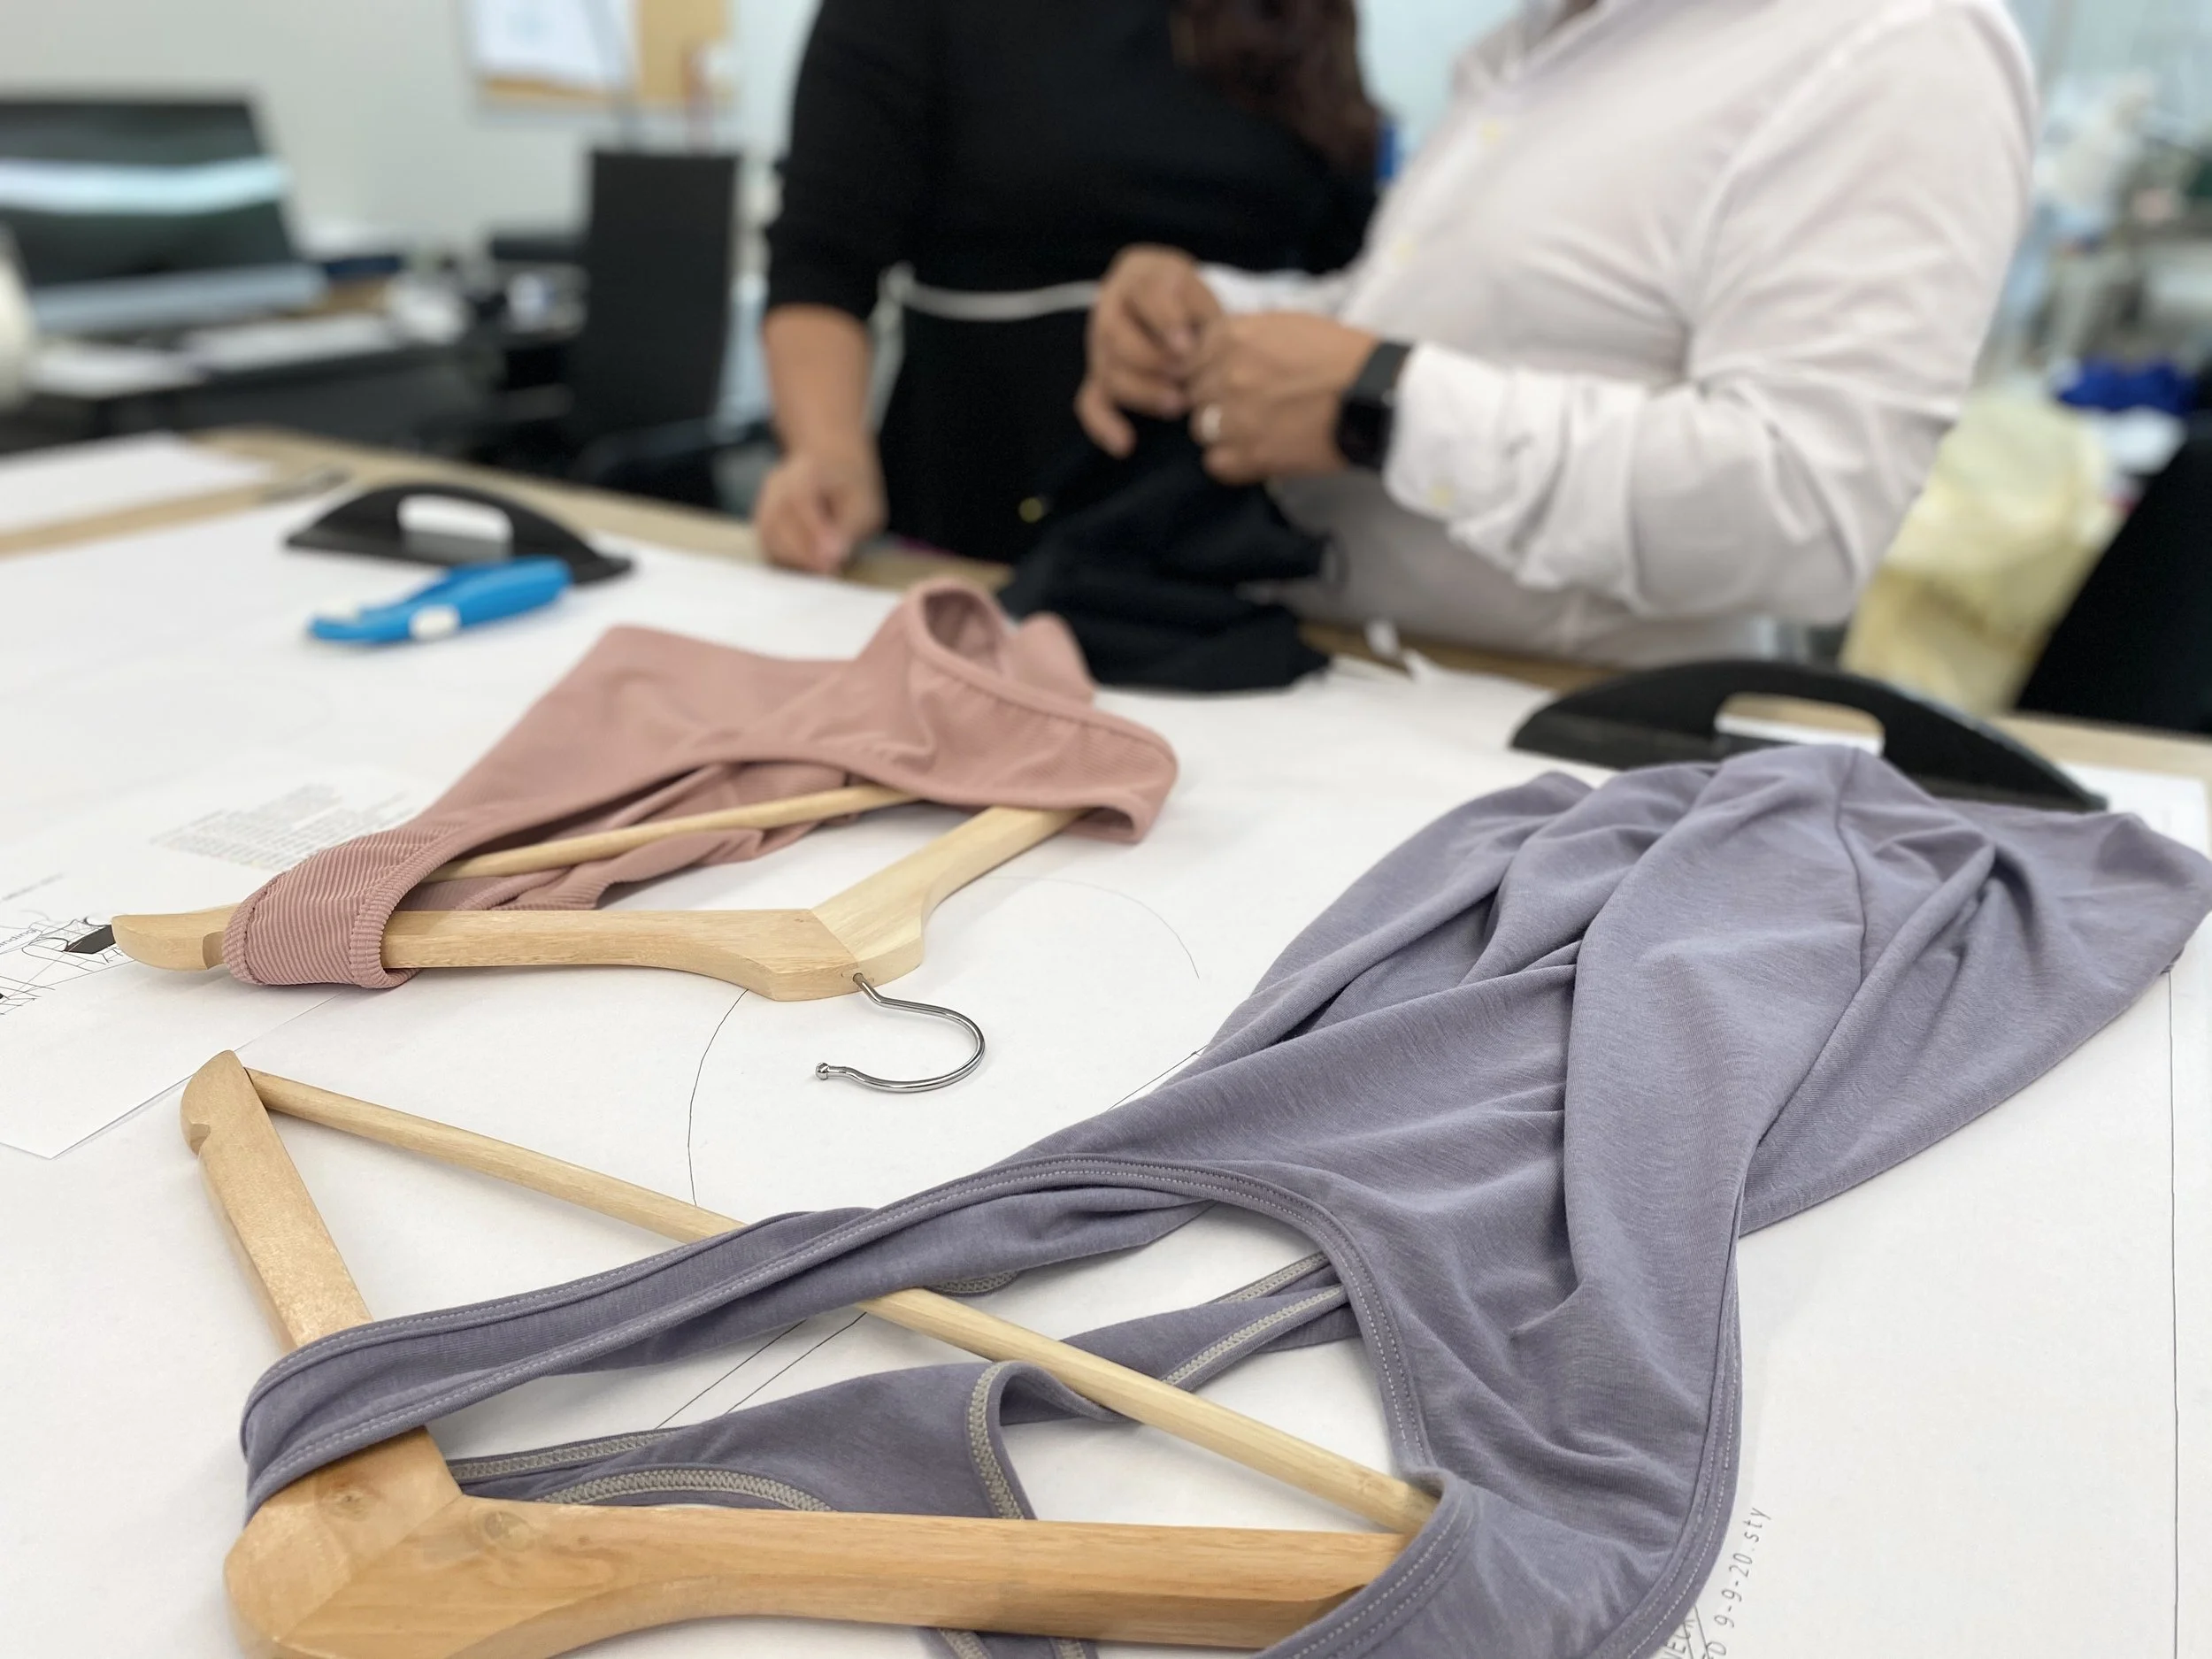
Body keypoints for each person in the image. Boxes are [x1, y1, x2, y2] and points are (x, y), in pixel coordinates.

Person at [1079, 0, 2039, 664]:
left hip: (1570, 767)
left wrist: (1380, 405)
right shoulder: (1544, 42)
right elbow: (1433, 322)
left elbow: (1806, 514)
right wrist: (1215, 321)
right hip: (1358, 690)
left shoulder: (1899, 46)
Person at [757, 0, 1379, 573]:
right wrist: (828, 451)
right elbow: (820, 263)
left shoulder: (1298, 14)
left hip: (1260, 539)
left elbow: (1360, 275)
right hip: (982, 519)